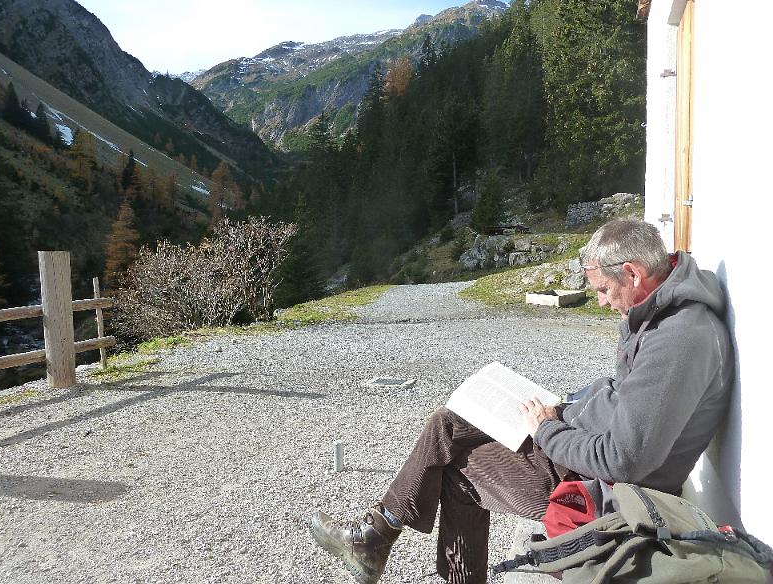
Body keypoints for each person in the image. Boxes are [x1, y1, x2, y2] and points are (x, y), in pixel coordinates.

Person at [309, 219, 734, 584]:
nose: (602, 302)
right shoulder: (658, 313)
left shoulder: (679, 339)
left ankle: (374, 539)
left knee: (458, 470)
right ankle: (373, 537)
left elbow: (625, 460)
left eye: (604, 290)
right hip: (577, 435)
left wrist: (547, 430)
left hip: (600, 487)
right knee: (449, 422)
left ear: (633, 273)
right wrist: (565, 407)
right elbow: (624, 396)